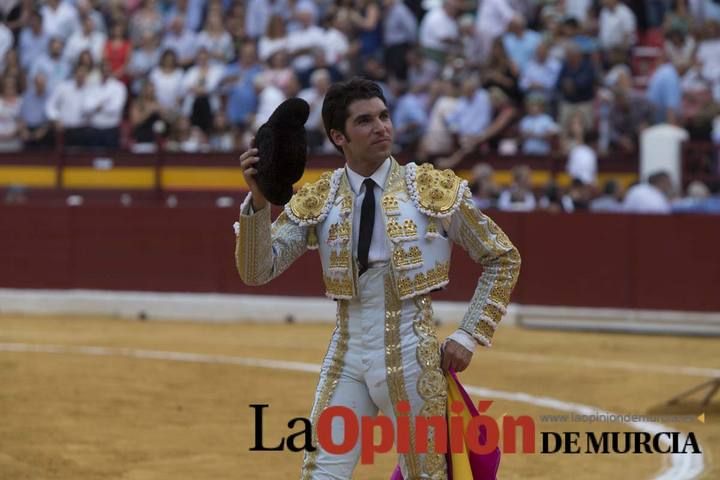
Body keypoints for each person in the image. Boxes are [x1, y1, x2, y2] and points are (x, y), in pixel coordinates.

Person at [234, 78, 521, 479]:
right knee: (320, 473)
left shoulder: (430, 188)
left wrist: (469, 333)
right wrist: (259, 202)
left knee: (427, 475)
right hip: (347, 352)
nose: (381, 127)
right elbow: (256, 270)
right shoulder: (320, 198)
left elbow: (502, 257)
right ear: (339, 136)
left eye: (384, 116)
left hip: (412, 351)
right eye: (365, 121)